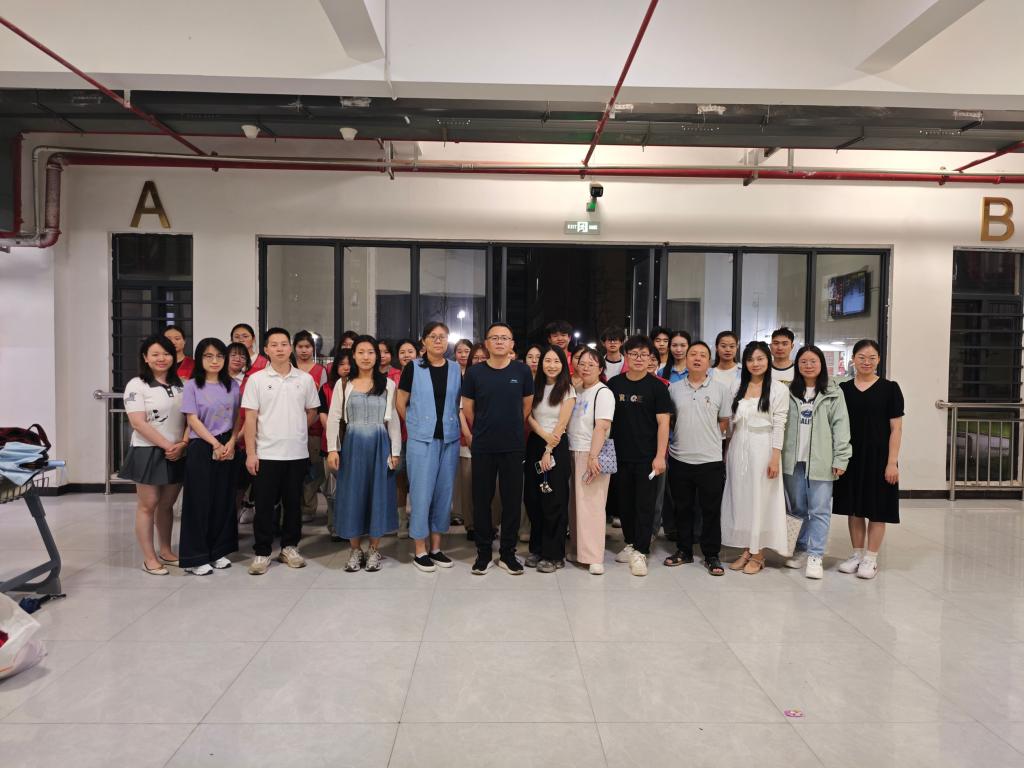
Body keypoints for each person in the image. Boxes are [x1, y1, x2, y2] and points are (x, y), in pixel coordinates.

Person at [241, 327, 320, 576]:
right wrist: (251, 453)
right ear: (266, 349)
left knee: (293, 504)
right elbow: (250, 418)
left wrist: (297, 428)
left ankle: (289, 547)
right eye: (274, 345)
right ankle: (263, 551)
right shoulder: (256, 380)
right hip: (266, 453)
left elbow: (312, 411)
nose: (279, 349)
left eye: (284, 344)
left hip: (296, 453)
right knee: (264, 506)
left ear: (290, 347)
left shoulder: (304, 379)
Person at [462, 321, 534, 575]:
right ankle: (483, 553)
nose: (500, 341)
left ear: (512, 343)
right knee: (481, 500)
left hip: (513, 445)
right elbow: (468, 409)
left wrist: (509, 426)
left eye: (505, 337)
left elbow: (527, 406)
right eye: (495, 337)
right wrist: (485, 427)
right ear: (487, 343)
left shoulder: (522, 371)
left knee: (512, 501)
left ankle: (507, 553)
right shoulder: (475, 373)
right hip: (483, 445)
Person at [327, 336, 402, 572]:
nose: (366, 357)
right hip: (352, 445)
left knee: (378, 495)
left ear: (377, 356)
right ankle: (355, 549)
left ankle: (374, 550)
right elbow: (334, 418)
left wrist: (395, 451)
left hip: (380, 445)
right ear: (353, 355)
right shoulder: (343, 383)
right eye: (361, 352)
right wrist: (332, 449)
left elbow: (393, 420)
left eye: (371, 352)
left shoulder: (388, 384)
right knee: (352, 495)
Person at [832, 339, 904, 580]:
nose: (866, 362)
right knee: (854, 508)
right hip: (851, 456)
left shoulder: (890, 389)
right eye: (861, 357)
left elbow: (896, 429)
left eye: (872, 358)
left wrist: (892, 462)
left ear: (879, 360)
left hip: (880, 457)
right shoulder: (843, 389)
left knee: (877, 508)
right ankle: (856, 555)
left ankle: (871, 558)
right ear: (853, 359)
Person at [782, 345, 852, 579]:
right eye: (803, 362)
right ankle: (801, 549)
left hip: (822, 460)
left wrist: (841, 457)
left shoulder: (833, 392)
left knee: (820, 509)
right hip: (793, 461)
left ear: (821, 364)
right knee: (797, 509)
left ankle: (816, 555)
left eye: (813, 361)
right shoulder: (789, 391)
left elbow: (841, 426)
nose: (808, 365)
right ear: (797, 365)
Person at [395, 322, 461, 572]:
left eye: (442, 337)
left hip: (449, 438)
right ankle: (420, 549)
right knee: (421, 495)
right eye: (433, 337)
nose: (438, 341)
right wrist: (414, 425)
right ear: (424, 341)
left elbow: (457, 402)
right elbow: (401, 401)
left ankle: (436, 548)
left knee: (444, 494)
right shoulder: (413, 367)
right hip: (422, 439)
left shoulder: (455, 368)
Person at [120, 335, 188, 575]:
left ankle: (166, 551)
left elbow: (190, 418)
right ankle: (149, 558)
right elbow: (138, 423)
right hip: (148, 450)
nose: (162, 358)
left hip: (177, 451)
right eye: (155, 354)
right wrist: (168, 445)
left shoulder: (182, 384)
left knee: (167, 505)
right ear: (145, 358)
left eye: (166, 354)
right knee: (148, 505)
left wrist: (182, 445)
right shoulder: (137, 385)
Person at [721, 341, 789, 574]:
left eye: (760, 358)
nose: (755, 363)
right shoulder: (737, 385)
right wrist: (727, 450)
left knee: (761, 499)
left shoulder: (778, 389)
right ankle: (747, 549)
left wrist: (775, 457)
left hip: (763, 448)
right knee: (741, 499)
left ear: (768, 360)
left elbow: (779, 424)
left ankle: (759, 554)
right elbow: (731, 422)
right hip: (739, 446)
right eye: (750, 359)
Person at [664, 341, 731, 576]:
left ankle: (711, 554)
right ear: (686, 359)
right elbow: (670, 421)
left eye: (703, 355)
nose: (697, 358)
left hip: (710, 460)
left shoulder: (721, 389)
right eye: (693, 354)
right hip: (679, 458)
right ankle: (684, 550)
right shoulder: (673, 389)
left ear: (709, 361)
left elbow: (724, 422)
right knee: (682, 508)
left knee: (710, 510)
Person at [608, 336, 673, 577]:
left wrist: (660, 456)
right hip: (619, 456)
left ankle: (641, 551)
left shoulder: (657, 387)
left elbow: (663, 424)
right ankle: (630, 542)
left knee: (644, 505)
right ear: (626, 356)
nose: (638, 358)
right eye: (634, 354)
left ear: (650, 359)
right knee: (624, 504)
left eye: (644, 354)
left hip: (647, 457)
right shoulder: (614, 384)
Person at [179, 338, 241, 575]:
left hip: (227, 446)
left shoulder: (232, 385)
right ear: (199, 359)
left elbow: (238, 417)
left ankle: (217, 551)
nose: (215, 361)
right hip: (202, 445)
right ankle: (195, 557)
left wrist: (232, 442)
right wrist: (215, 443)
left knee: (223, 499)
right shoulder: (192, 385)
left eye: (219, 356)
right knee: (199, 501)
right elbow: (192, 419)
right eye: (208, 356)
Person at [524, 346, 576, 572]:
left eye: (556, 361)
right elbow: (528, 415)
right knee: (533, 498)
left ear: (563, 364)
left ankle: (554, 554)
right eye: (547, 360)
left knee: (554, 500)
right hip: (535, 443)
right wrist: (542, 437)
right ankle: (537, 549)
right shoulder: (533, 386)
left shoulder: (567, 389)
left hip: (556, 445)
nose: (551, 365)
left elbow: (562, 423)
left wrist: (548, 449)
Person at [567, 347, 614, 575]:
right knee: (576, 506)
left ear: (600, 368)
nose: (585, 368)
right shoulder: (576, 389)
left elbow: (602, 426)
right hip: (572, 450)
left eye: (591, 364)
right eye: (582, 363)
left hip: (590, 454)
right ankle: (579, 551)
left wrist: (593, 456)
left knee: (592, 506)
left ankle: (595, 557)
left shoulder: (603, 392)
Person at [293, 330, 328, 522]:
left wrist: (307, 423)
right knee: (295, 471)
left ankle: (308, 507)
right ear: (294, 348)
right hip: (290, 429)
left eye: (307, 346)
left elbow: (321, 401)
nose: (304, 350)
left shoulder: (320, 371)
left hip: (313, 430)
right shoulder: (289, 368)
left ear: (313, 349)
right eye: (300, 346)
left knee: (313, 471)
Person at [320, 347, 354, 541]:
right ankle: (335, 526)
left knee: (351, 488)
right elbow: (323, 414)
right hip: (331, 445)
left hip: (355, 443)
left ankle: (352, 526)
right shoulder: (326, 388)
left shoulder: (360, 385)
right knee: (333, 489)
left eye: (349, 364)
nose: (346, 367)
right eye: (342, 364)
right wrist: (334, 435)